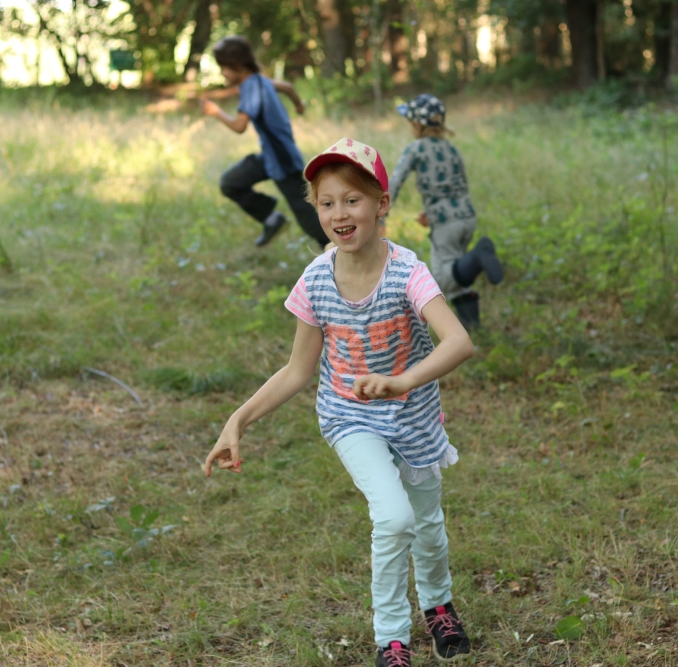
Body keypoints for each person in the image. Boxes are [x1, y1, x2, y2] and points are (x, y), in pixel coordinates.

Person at [204, 137, 475, 666]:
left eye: (352, 199)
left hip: (413, 418)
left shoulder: (407, 273)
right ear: (316, 209)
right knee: (394, 517)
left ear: (381, 203)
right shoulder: (316, 281)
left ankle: (439, 606)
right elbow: (298, 370)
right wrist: (237, 419)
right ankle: (392, 638)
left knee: (427, 524)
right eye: (327, 202)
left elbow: (459, 342)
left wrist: (401, 382)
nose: (339, 213)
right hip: (350, 418)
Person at [200, 36, 329, 248]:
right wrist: (299, 105)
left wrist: (216, 112)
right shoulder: (259, 80)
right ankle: (271, 219)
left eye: (223, 67)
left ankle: (336, 249)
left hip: (282, 158)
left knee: (303, 211)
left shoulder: (252, 87)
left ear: (238, 65)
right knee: (231, 183)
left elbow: (239, 126)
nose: (222, 72)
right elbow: (287, 87)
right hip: (270, 156)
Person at [388, 93, 504, 328]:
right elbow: (457, 186)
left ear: (417, 125)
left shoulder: (415, 149)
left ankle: (479, 256)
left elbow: (395, 181)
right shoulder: (451, 150)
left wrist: (381, 211)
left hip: (445, 223)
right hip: (466, 218)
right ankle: (473, 326)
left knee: (443, 277)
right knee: (458, 269)